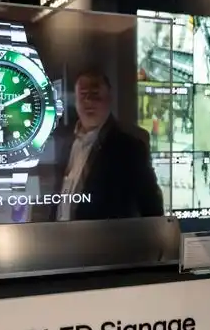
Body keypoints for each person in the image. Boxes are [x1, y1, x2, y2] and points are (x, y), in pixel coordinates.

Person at [49, 69, 164, 221]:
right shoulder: (66, 142)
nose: (89, 101)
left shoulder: (130, 147)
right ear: (75, 100)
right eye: (83, 95)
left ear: (109, 99)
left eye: (95, 94)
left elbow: (151, 209)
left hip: (105, 243)